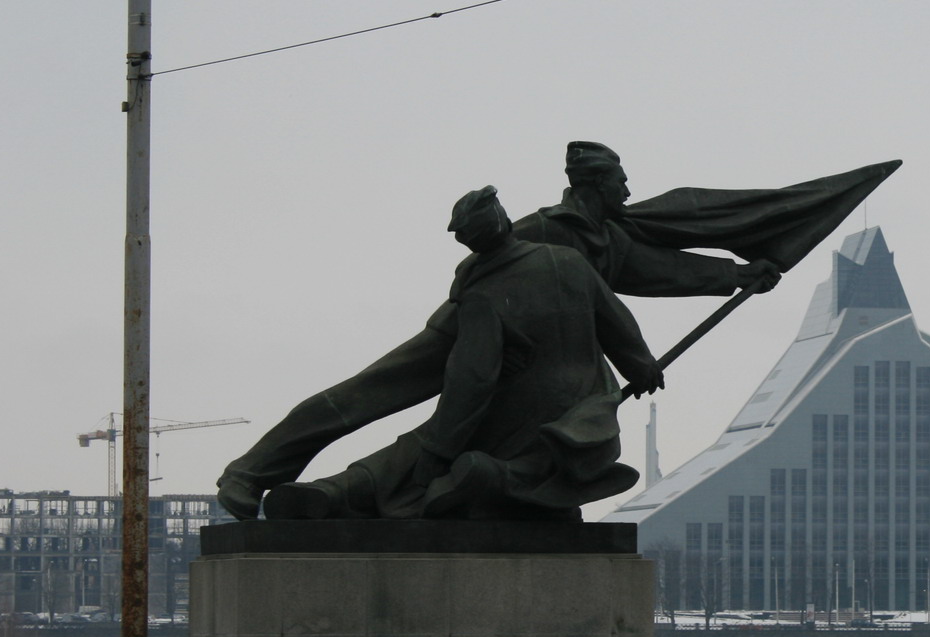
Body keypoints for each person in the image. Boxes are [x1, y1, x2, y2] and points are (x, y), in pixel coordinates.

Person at [262, 186, 662, 521]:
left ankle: (336, 492)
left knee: (414, 450)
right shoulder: (568, 261)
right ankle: (496, 479)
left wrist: (439, 450)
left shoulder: (482, 294)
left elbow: (473, 379)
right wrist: (641, 365)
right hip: (583, 411)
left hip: (517, 411)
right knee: (521, 464)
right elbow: (617, 320)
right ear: (506, 221)